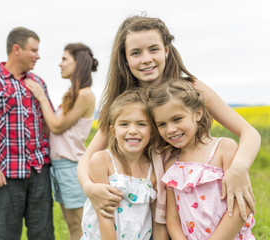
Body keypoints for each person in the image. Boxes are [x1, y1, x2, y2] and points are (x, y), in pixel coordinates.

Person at [77, 14, 260, 229]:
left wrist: (239, 167)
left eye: (153, 49)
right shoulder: (127, 104)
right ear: (125, 59)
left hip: (197, 205)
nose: (146, 59)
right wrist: (89, 187)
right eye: (136, 53)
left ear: (166, 50)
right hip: (147, 213)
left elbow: (249, 133)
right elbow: (86, 158)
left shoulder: (191, 89)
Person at [0, 27, 54, 240]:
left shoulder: (38, 83)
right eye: (33, 50)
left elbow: (48, 123)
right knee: (5, 234)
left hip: (38, 170)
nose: (38, 55)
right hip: (5, 174)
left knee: (43, 234)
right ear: (16, 49)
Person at [147, 80, 255, 239]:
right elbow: (172, 219)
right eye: (162, 124)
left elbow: (241, 207)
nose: (170, 129)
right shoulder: (172, 164)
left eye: (177, 119)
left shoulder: (224, 149)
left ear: (198, 113)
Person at [24, 43, 97, 240]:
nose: (60, 64)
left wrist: (40, 96)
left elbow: (57, 126)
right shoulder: (73, 93)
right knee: (73, 225)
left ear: (78, 63)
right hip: (61, 166)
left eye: (65, 59)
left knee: (80, 226)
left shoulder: (85, 94)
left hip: (71, 166)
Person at [80, 89, 166, 240]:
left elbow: (156, 220)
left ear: (152, 132)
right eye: (124, 124)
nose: (132, 131)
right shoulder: (102, 161)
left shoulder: (152, 171)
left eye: (141, 124)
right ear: (113, 131)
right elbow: (105, 217)